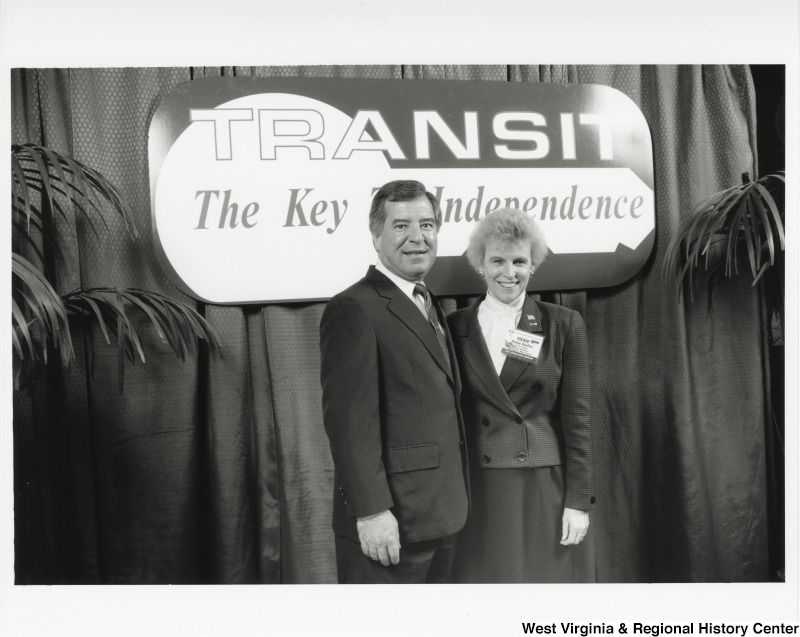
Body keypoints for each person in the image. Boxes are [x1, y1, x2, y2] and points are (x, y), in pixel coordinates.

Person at [319, 179, 469, 584]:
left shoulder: (426, 301)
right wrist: (371, 512)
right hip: (392, 525)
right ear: (376, 236)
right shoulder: (354, 308)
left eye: (427, 225)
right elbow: (350, 424)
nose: (417, 237)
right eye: (401, 226)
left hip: (442, 517)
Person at [447, 207, 596, 583]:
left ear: (533, 266)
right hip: (478, 486)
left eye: (519, 261)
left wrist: (578, 501)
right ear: (480, 264)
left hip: (543, 483)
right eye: (497, 260)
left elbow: (578, 420)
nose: (508, 272)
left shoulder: (562, 324)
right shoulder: (453, 327)